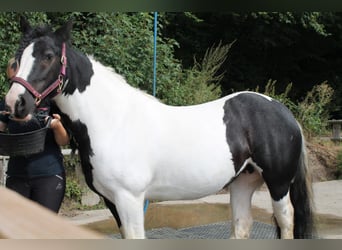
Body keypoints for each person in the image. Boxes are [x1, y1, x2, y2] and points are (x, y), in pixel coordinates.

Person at [0, 99, 70, 213]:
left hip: (49, 175)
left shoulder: (53, 104)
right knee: (18, 226)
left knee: (45, 226)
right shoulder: (9, 102)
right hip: (16, 175)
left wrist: (57, 126)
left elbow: (63, 141)